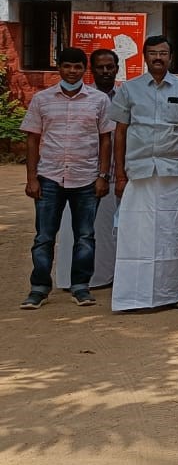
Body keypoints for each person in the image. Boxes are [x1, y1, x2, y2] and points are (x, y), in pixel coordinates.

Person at [109, 34, 178, 312]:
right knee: (134, 234)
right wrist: (120, 174)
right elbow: (120, 132)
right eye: (152, 53)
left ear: (171, 58)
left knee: (170, 233)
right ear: (145, 57)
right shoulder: (129, 89)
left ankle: (168, 295)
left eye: (163, 53)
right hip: (138, 171)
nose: (158, 58)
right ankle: (131, 298)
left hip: (173, 172)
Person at [19, 47, 112, 310]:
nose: (72, 71)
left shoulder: (98, 100)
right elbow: (32, 139)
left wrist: (103, 175)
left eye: (78, 67)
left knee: (85, 236)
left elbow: (106, 140)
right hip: (49, 177)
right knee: (44, 237)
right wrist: (31, 178)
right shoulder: (42, 99)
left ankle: (80, 286)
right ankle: (39, 287)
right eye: (67, 66)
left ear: (85, 70)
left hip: (86, 178)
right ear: (58, 67)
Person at [54, 47, 121, 291]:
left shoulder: (125, 96)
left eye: (110, 67)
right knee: (77, 230)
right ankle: (73, 278)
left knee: (108, 232)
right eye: (100, 67)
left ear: (117, 68)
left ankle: (106, 277)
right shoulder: (82, 98)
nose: (105, 71)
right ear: (91, 70)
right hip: (83, 176)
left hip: (117, 176)